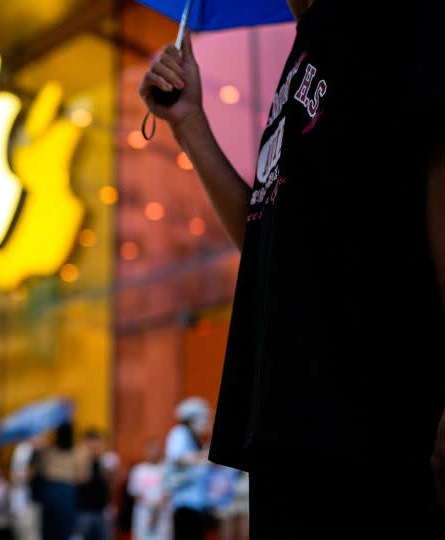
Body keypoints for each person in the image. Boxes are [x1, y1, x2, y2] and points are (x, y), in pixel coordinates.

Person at [140, 0, 445, 537]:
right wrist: (189, 124)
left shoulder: (388, 16)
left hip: (376, 419)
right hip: (291, 427)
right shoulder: (308, 46)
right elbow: (269, 242)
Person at [164, 398, 212, 540]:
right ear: (191, 419)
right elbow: (178, 457)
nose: (205, 423)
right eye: (203, 418)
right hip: (185, 504)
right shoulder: (180, 433)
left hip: (199, 504)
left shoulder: (195, 439)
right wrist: (203, 457)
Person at [32, 422, 84, 540]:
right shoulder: (77, 452)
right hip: (67, 491)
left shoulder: (48, 450)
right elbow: (82, 477)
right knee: (65, 530)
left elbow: (39, 469)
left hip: (49, 490)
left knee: (48, 531)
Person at [75, 429, 113, 540]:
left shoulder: (104, 461)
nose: (97, 447)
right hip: (84, 510)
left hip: (101, 509)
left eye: (99, 443)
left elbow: (110, 485)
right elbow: (82, 479)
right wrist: (86, 459)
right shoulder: (80, 461)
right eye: (93, 443)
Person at [128, 441, 170, 540]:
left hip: (161, 516)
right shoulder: (138, 470)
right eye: (150, 449)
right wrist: (150, 504)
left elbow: (169, 491)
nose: (153, 452)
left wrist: (158, 504)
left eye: (155, 449)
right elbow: (134, 492)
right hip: (143, 515)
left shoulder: (166, 469)